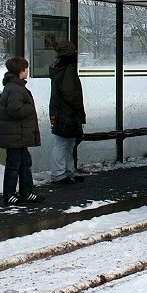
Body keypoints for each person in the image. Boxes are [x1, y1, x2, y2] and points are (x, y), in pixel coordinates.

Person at [0, 56, 44, 205]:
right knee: (14, 165)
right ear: (20, 71)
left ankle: (27, 192)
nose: (27, 71)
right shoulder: (16, 89)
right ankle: (9, 194)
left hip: (18, 135)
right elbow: (15, 110)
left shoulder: (14, 86)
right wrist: (30, 107)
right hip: (16, 135)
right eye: (26, 69)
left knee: (24, 164)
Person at [48, 39, 87, 184]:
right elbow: (71, 94)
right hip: (67, 113)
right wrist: (78, 109)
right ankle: (59, 174)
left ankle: (67, 172)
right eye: (74, 52)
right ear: (69, 54)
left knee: (68, 143)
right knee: (63, 144)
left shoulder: (59, 68)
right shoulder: (67, 71)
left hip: (62, 112)